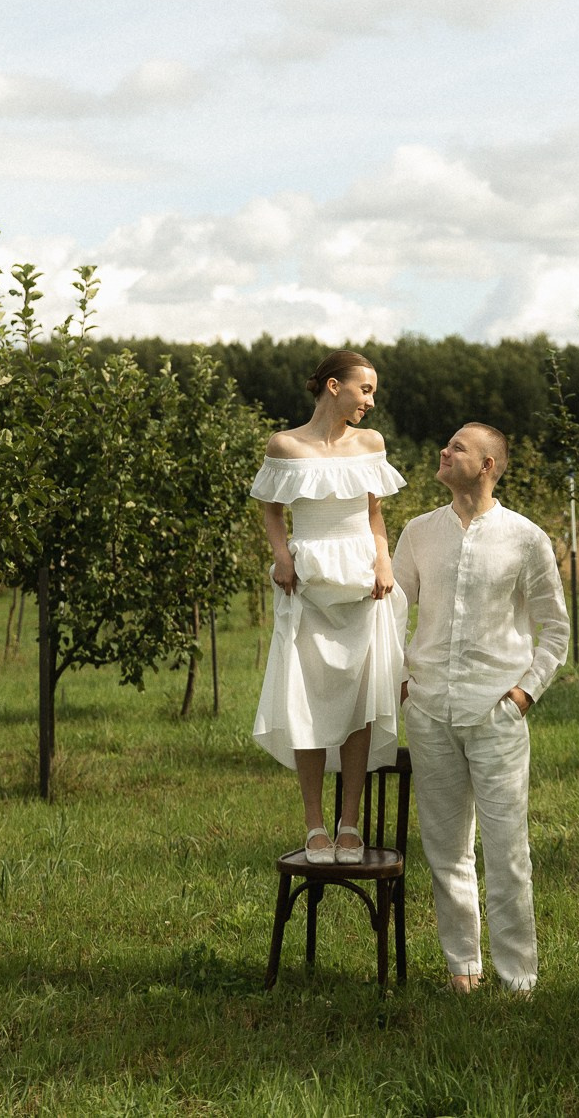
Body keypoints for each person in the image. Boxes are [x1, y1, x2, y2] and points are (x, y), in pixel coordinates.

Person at [392, 422, 569, 992]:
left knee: (508, 851)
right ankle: (461, 969)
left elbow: (556, 631)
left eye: (458, 448)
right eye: (445, 444)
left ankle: (518, 978)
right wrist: (399, 677)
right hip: (430, 710)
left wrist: (523, 694)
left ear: (489, 465)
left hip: (496, 712)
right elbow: (392, 610)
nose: (444, 452)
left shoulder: (525, 538)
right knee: (446, 850)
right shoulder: (418, 533)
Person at [250, 349, 407, 863]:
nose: (371, 401)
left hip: (363, 583)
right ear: (334, 387)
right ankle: (314, 824)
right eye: (366, 390)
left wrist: (384, 561)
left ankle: (350, 823)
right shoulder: (286, 445)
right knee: (307, 698)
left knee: (361, 701)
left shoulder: (371, 444)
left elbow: (375, 514)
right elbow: (272, 511)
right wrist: (280, 556)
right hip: (308, 583)